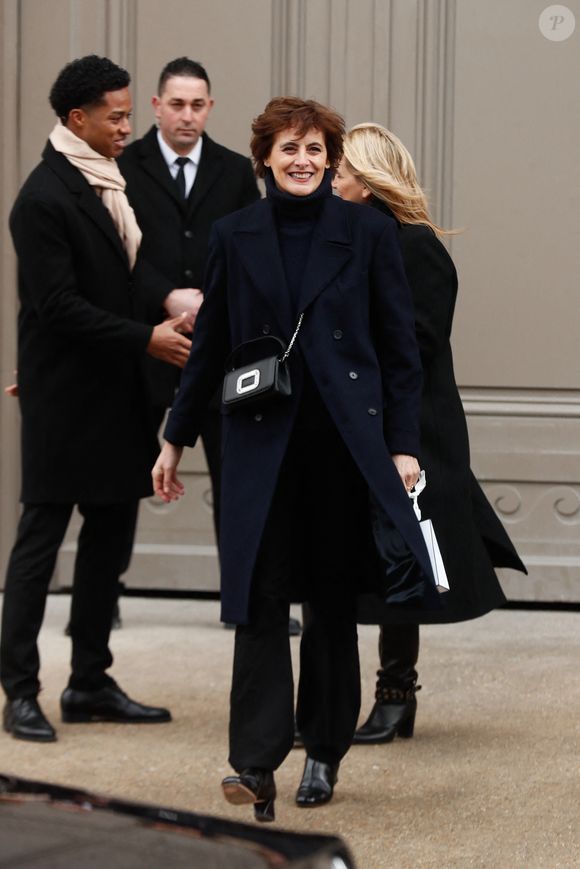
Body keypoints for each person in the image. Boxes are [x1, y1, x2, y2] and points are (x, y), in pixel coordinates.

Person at [152, 97, 438, 820]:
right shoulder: (234, 234)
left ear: (332, 158)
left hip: (343, 449)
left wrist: (402, 446)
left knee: (331, 607)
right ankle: (254, 761)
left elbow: (402, 353)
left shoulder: (368, 232)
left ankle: (322, 749)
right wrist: (175, 434)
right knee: (257, 600)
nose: (303, 160)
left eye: (315, 149)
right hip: (258, 445)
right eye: (289, 149)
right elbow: (210, 342)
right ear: (266, 160)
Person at [1, 55, 193, 743]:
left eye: (127, 112)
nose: (128, 125)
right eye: (116, 115)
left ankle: (89, 680)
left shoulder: (109, 180)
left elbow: (124, 274)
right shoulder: (43, 198)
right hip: (63, 398)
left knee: (108, 544)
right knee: (39, 542)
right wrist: (148, 338)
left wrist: (170, 303)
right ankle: (19, 691)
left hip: (116, 393)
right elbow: (57, 307)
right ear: (77, 119)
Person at [332, 123, 526, 744]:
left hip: (410, 426)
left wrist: (398, 440)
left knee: (400, 553)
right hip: (356, 423)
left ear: (368, 180)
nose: (332, 178)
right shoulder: (345, 238)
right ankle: (338, 700)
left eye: (341, 170)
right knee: (356, 555)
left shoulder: (415, 247)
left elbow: (413, 346)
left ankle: (395, 693)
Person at [119, 56, 260, 536]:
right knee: (124, 474)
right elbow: (116, 252)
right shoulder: (123, 168)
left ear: (210, 107)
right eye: (177, 104)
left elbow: (251, 251)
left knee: (235, 476)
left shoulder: (237, 171)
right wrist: (166, 296)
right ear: (157, 106)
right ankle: (105, 595)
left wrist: (211, 303)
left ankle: (240, 604)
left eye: (197, 105)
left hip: (218, 345)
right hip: (148, 341)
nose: (187, 115)